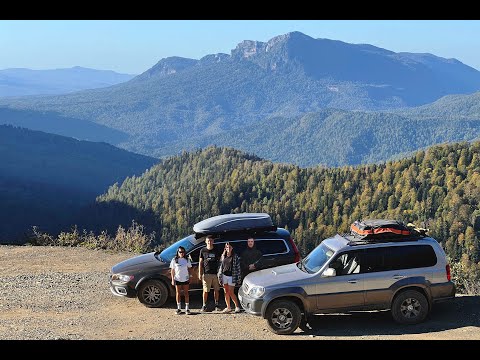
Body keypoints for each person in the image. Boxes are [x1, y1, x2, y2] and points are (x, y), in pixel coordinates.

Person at [217, 242, 242, 313]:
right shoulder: (223, 256)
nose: (228, 248)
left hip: (232, 276)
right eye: (227, 247)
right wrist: (219, 276)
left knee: (231, 292)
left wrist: (239, 278)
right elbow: (220, 267)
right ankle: (228, 307)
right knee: (226, 292)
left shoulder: (235, 256)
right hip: (224, 276)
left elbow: (238, 268)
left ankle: (237, 306)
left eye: (230, 247)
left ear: (232, 248)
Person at [199, 235, 221, 312]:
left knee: (216, 290)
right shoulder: (203, 250)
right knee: (205, 290)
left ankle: (217, 305)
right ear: (206, 241)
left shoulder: (216, 250)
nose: (209, 242)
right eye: (208, 241)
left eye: (211, 240)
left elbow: (220, 261)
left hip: (215, 274)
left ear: (213, 241)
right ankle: (204, 305)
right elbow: (200, 262)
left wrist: (219, 272)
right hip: (206, 273)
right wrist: (200, 273)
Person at [169, 246, 192, 315]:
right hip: (177, 278)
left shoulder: (187, 260)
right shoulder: (174, 260)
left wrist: (190, 277)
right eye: (180, 252)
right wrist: (172, 279)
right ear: (178, 252)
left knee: (186, 293)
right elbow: (172, 270)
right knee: (178, 293)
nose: (181, 253)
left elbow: (189, 269)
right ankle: (178, 308)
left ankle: (187, 308)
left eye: (183, 252)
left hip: (185, 278)